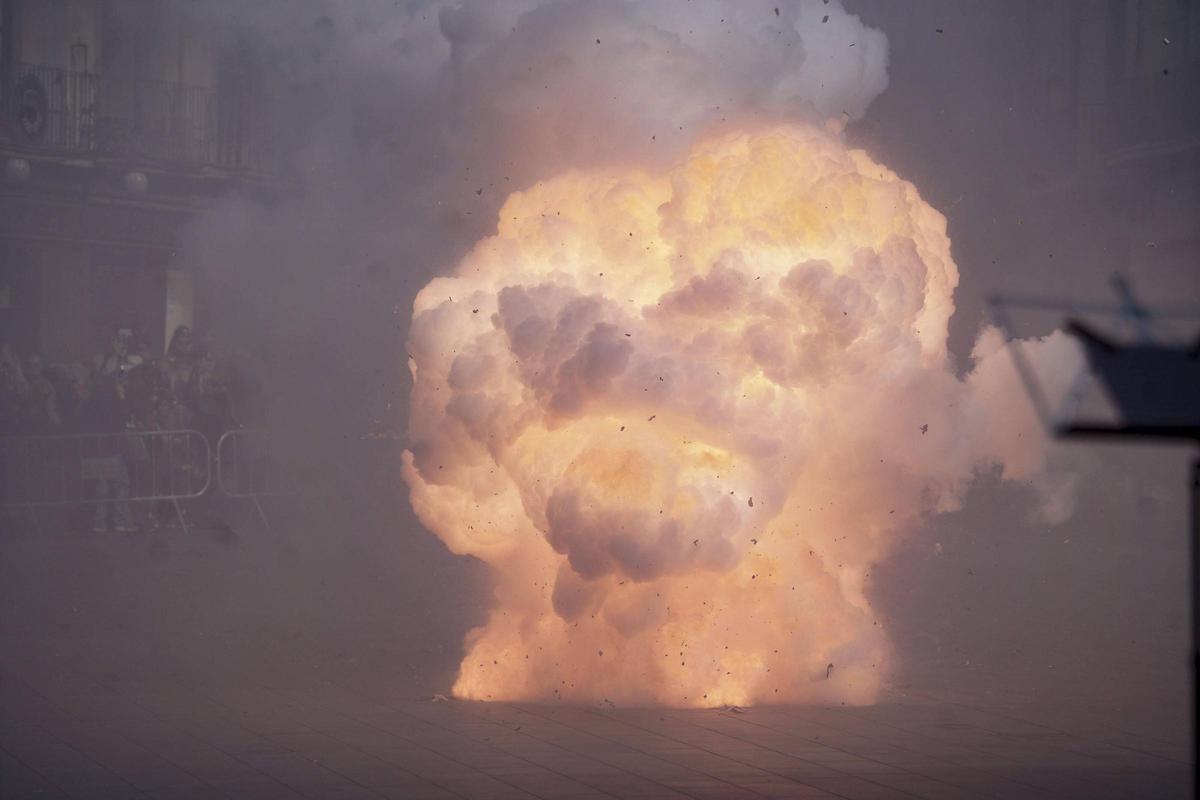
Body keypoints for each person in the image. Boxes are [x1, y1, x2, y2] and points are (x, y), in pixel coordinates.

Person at [80, 375, 136, 533]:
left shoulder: (90, 403)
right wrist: (122, 397)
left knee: (101, 487)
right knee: (121, 484)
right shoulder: (114, 403)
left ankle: (100, 523)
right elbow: (121, 420)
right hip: (111, 450)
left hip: (93, 451)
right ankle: (120, 521)